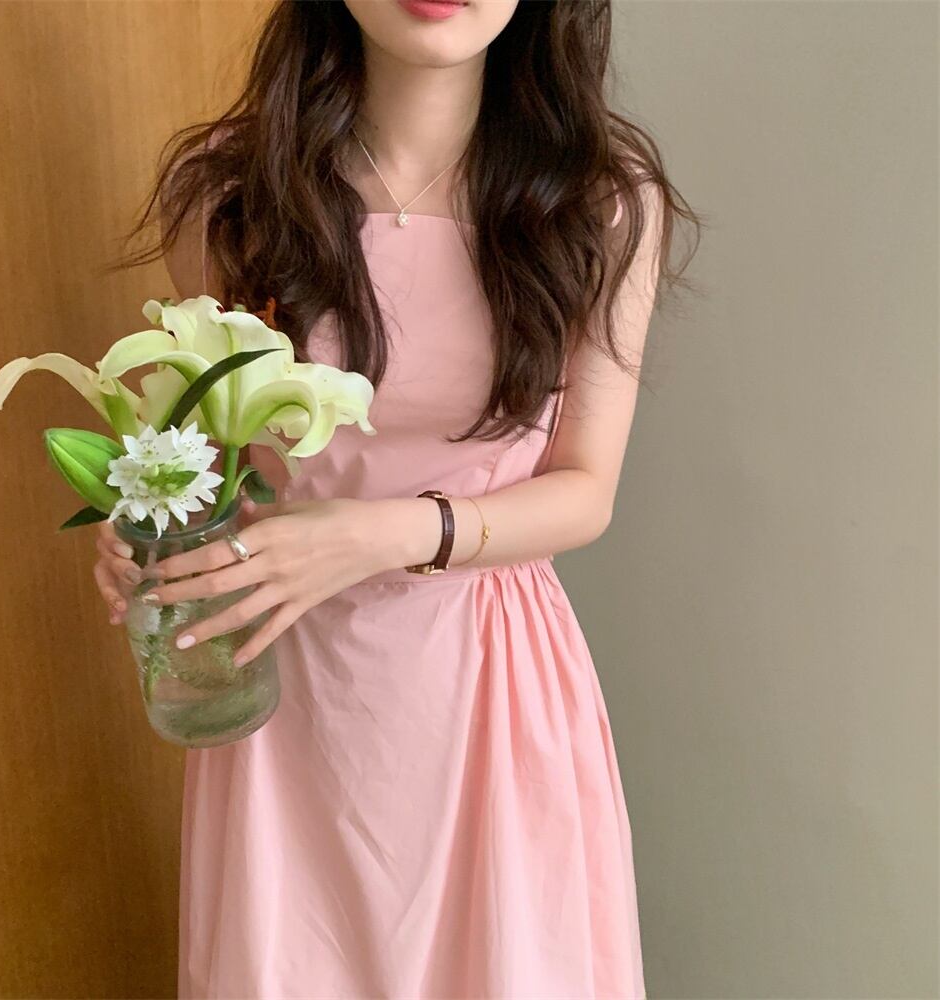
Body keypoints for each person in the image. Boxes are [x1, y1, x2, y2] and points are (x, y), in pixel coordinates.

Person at [96, 1, 699, 996]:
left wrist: (382, 533)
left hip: (486, 687)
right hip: (289, 694)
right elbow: (207, 456)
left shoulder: (598, 201)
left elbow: (585, 492)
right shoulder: (228, 192)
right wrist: (149, 527)